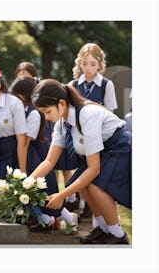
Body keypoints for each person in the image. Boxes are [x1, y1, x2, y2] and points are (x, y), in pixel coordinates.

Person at [30, 79, 131, 244]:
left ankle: (118, 236)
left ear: (61, 103)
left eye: (47, 111)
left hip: (120, 149)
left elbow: (94, 169)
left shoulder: (87, 115)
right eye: (42, 112)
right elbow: (49, 161)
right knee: (83, 185)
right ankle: (103, 229)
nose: (46, 117)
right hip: (102, 152)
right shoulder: (62, 124)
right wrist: (26, 182)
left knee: (96, 186)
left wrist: (62, 195)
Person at [10, 76, 78, 232]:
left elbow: (26, 141)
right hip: (29, 156)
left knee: (45, 194)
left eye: (18, 97)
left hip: (34, 157)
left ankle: (69, 219)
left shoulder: (34, 114)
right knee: (36, 196)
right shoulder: (24, 111)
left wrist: (24, 171)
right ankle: (45, 221)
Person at [67, 42, 119, 218]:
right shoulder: (72, 84)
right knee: (82, 173)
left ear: (100, 64)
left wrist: (94, 106)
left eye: (92, 64)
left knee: (97, 176)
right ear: (79, 63)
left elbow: (110, 112)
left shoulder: (106, 85)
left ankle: (100, 213)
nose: (88, 68)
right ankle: (85, 204)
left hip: (101, 138)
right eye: (84, 64)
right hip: (78, 137)